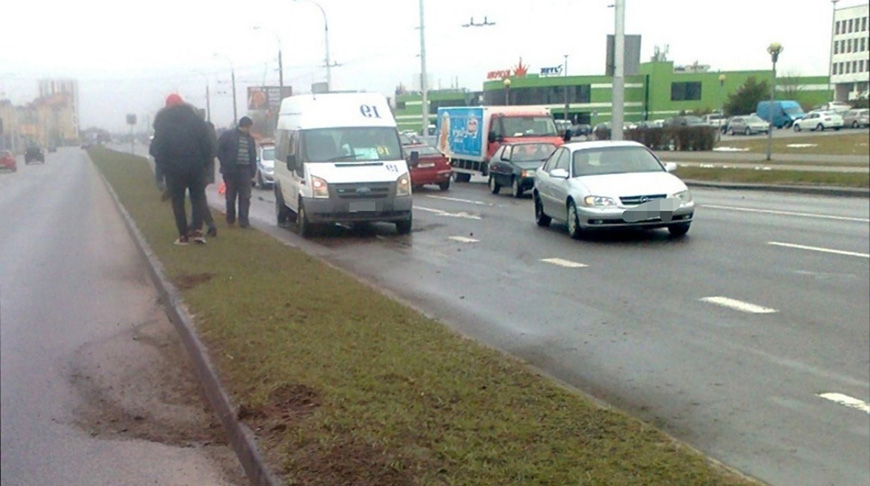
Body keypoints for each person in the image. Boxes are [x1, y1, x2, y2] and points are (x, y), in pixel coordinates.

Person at [149, 93, 212, 245]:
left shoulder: (162, 122)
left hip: (174, 169)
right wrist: (205, 164)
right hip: (196, 166)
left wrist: (162, 168)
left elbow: (156, 149)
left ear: (167, 105)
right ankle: (197, 231)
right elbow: (207, 145)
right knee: (197, 198)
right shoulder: (196, 119)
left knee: (178, 201)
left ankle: (183, 236)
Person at [217, 116, 257, 228]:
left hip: (245, 171)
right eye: (248, 127)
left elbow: (253, 155)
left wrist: (252, 171)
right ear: (244, 126)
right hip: (230, 171)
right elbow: (218, 149)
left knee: (245, 197)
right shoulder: (228, 136)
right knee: (230, 196)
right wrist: (225, 163)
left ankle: (244, 221)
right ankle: (230, 219)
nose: (249, 129)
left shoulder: (250, 139)